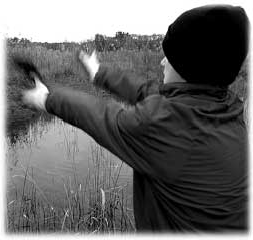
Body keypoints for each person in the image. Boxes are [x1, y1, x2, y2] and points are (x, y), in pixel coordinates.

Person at [21, 4, 249, 232]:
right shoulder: (227, 108)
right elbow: (149, 91)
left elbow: (101, 116)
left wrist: (47, 98)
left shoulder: (168, 128)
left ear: (187, 66)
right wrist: (99, 73)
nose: (162, 62)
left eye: (168, 57)